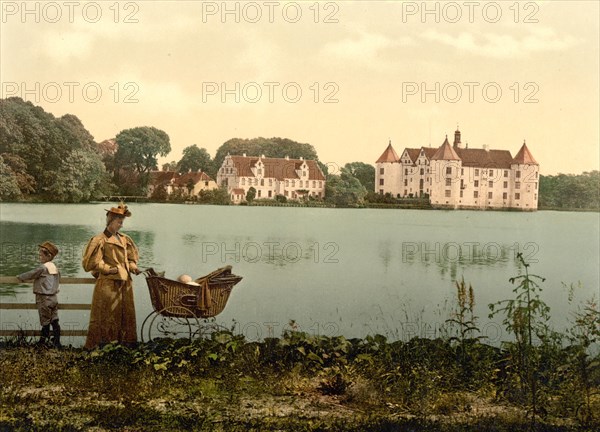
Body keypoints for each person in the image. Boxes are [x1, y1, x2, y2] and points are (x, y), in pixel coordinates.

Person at [82, 202, 140, 349]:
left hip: (125, 285)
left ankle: (124, 348)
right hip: (108, 285)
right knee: (106, 316)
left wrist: (133, 267)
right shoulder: (100, 240)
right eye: (119, 222)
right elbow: (90, 264)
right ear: (111, 221)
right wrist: (109, 269)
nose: (121, 225)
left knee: (125, 316)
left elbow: (131, 258)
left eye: (122, 222)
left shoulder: (125, 239)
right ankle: (102, 348)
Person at [17, 241, 61, 348]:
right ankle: (57, 341)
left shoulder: (43, 268)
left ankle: (42, 342)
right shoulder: (55, 268)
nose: (39, 257)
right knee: (54, 319)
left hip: (44, 298)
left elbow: (31, 274)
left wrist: (20, 277)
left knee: (45, 321)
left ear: (48, 256)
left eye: (41, 255)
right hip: (53, 298)